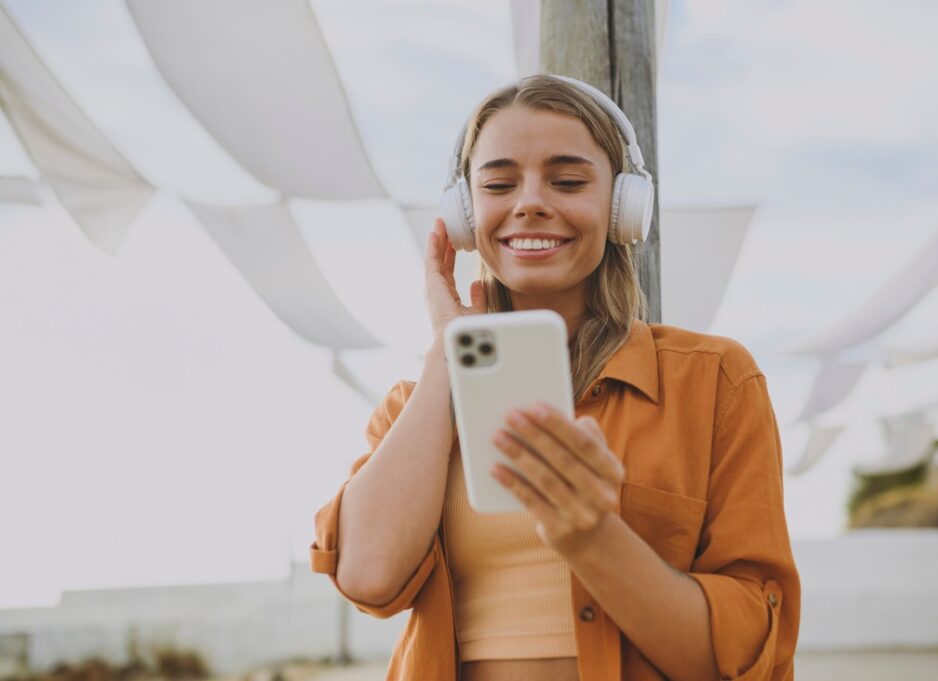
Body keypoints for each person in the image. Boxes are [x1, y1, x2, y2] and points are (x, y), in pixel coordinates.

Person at [310, 74, 800, 681]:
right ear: (464, 216)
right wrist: (450, 352)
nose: (530, 202)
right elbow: (368, 577)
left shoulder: (716, 381)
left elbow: (749, 652)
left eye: (568, 181)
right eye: (497, 184)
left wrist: (593, 537)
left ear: (623, 208)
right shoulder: (418, 406)